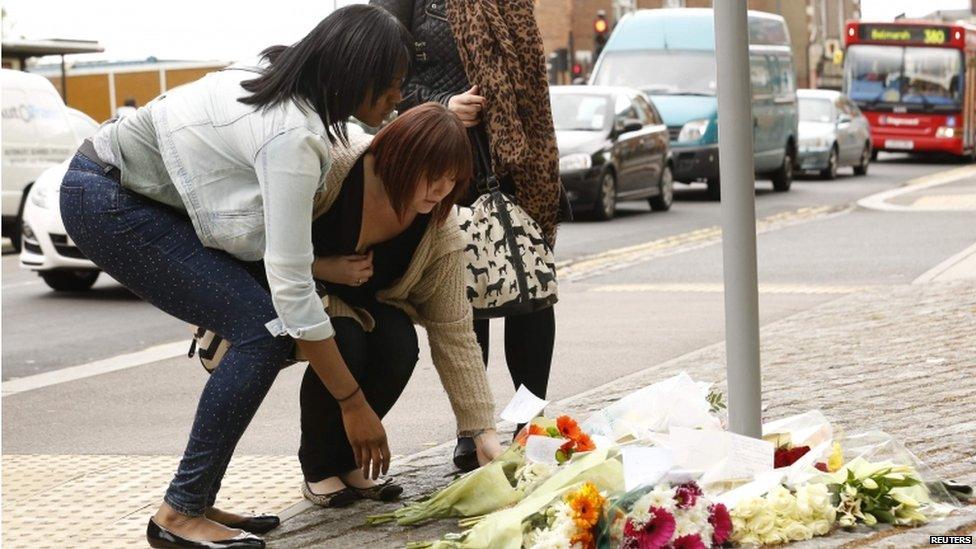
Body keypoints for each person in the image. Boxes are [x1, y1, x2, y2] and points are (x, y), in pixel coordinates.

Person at [59, 6, 444, 548]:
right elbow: (291, 289)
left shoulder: (278, 80)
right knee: (263, 334)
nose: (397, 99)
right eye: (393, 84)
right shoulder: (290, 135)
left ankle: (196, 496)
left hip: (128, 190)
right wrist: (353, 404)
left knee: (260, 328)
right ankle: (179, 513)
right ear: (358, 73)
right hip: (108, 199)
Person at [370, 0, 566, 472]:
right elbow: (378, 79)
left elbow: (529, 78)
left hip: (517, 157)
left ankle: (529, 423)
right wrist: (440, 107)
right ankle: (475, 430)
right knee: (463, 297)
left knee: (530, 294)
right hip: (445, 158)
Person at [298, 102, 502, 508]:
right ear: (400, 158)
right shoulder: (338, 167)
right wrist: (323, 266)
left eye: (451, 179)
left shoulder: (440, 231)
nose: (440, 190)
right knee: (347, 340)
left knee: (399, 344)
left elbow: (455, 333)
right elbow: (263, 239)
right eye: (431, 175)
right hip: (302, 296)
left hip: (370, 304)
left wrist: (484, 434)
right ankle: (319, 467)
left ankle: (349, 462)